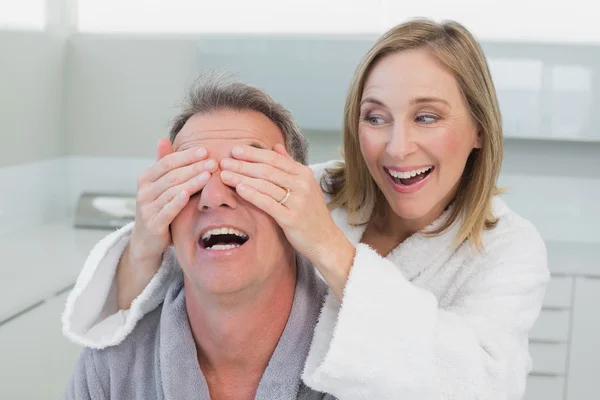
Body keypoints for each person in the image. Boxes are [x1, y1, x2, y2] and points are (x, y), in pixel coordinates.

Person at [63, 18, 549, 399]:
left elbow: (480, 388)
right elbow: (194, 274)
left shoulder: (510, 250)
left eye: (427, 117)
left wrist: (329, 247)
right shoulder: (302, 186)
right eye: (375, 117)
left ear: (480, 128)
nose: (398, 148)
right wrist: (146, 246)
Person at [65, 75, 336, 400]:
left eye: (248, 173)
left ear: (299, 210)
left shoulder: (362, 360)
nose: (213, 196)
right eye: (191, 177)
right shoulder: (110, 369)